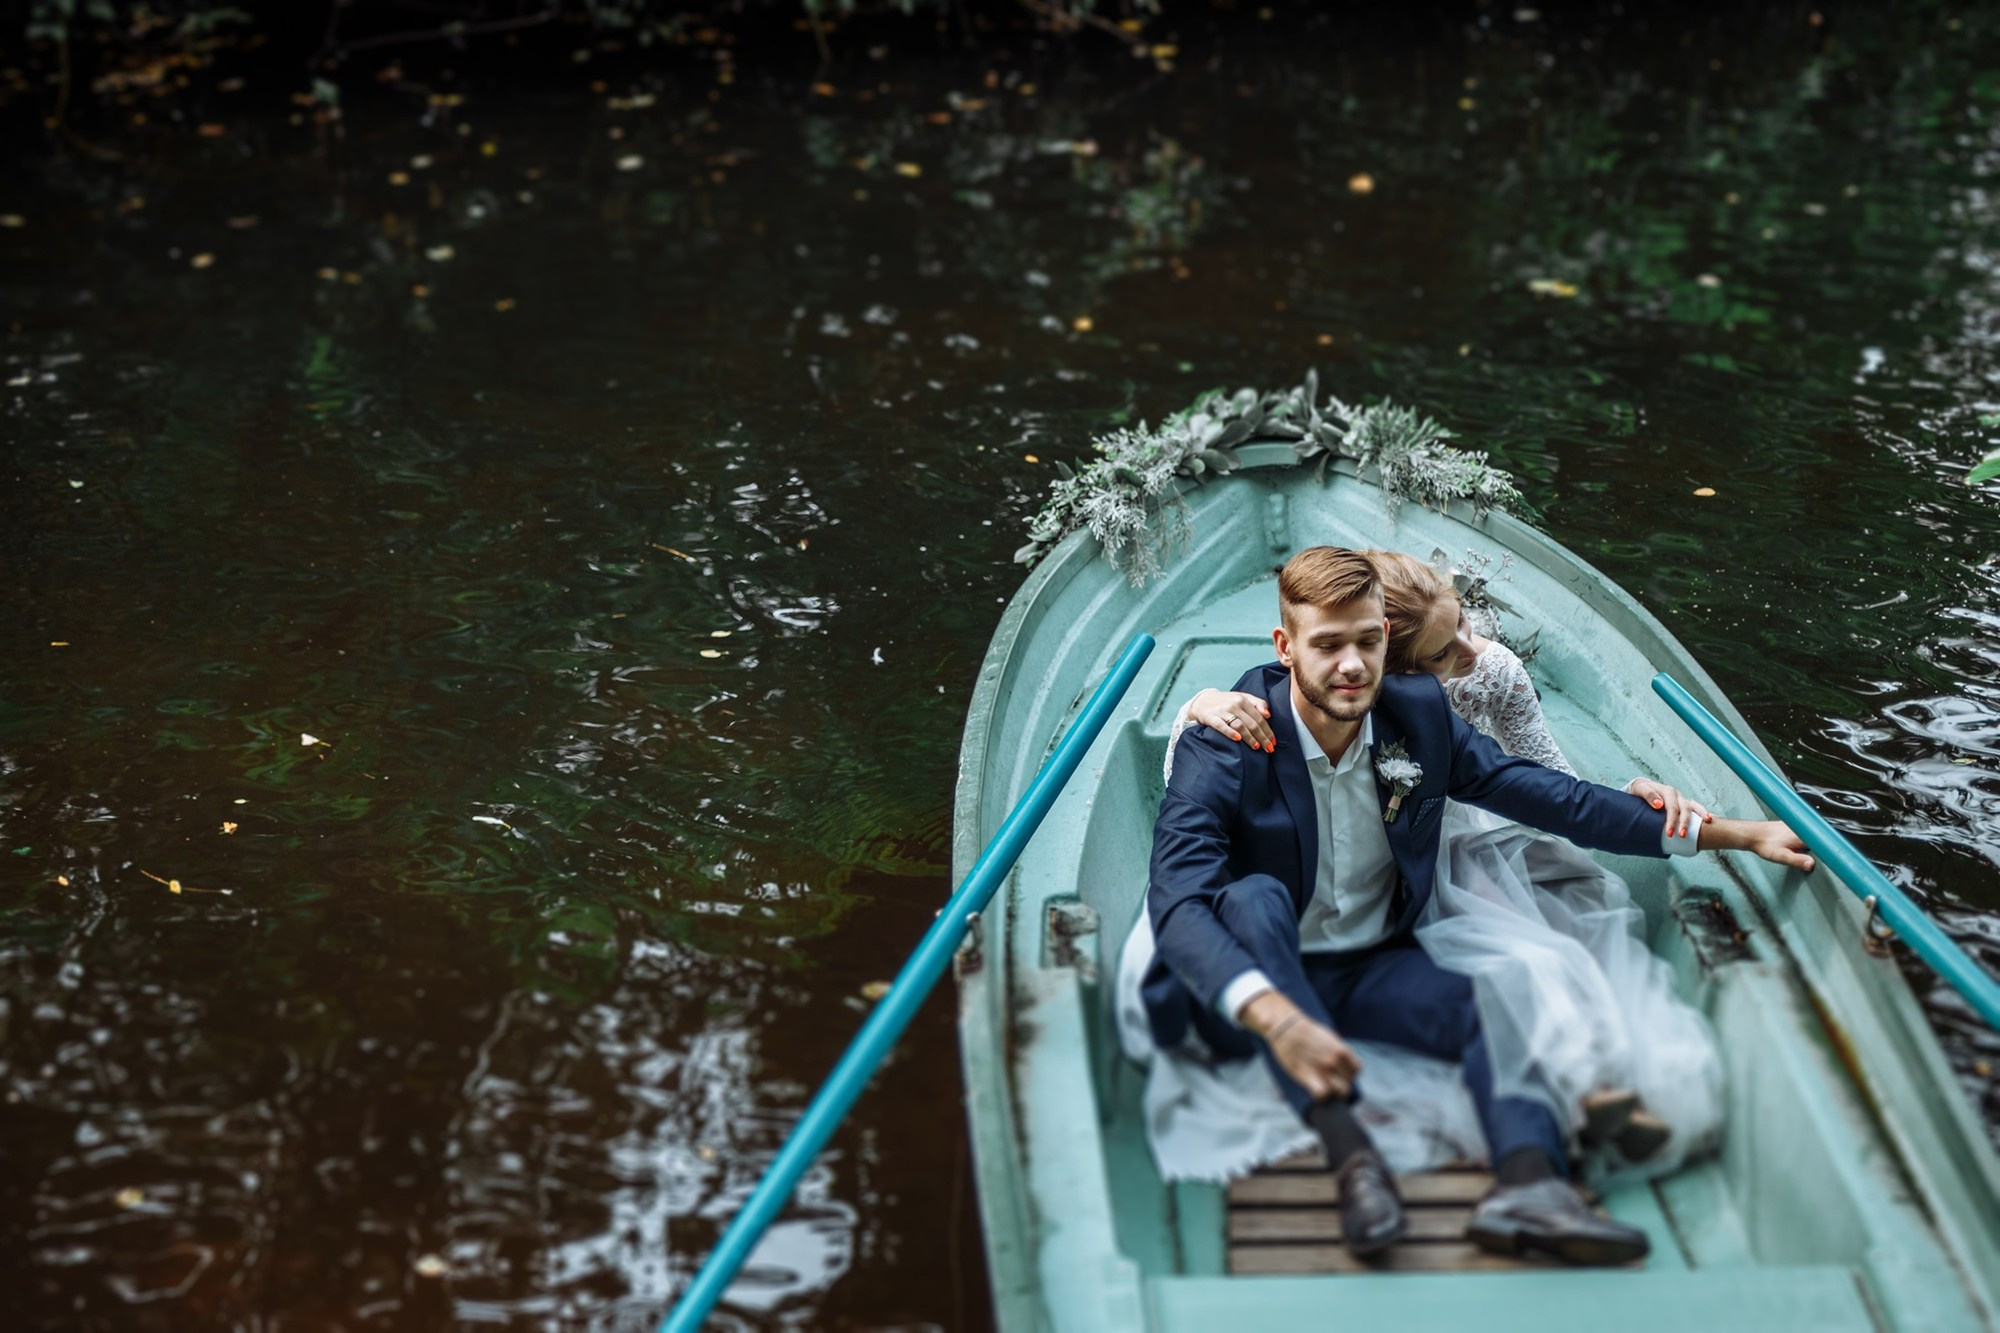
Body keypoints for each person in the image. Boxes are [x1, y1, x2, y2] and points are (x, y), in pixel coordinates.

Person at [1138, 547, 1814, 1264]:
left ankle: (1531, 1187)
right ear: (1286, 647)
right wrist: (1276, 1016)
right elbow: (1178, 900)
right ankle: (1353, 1160)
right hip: (1254, 983)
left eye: (1366, 641)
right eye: (1328, 645)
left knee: (1499, 996)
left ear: (1386, 641)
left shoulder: (1419, 718)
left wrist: (1737, 834)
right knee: (1253, 898)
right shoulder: (1229, 740)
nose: (1352, 665)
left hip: (1369, 968)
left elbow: (1557, 800)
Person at [1177, 550, 1713, 1167]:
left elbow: (1552, 788)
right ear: (1402, 670)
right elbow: (1195, 793)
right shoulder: (1324, 703)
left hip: (1454, 839)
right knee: (1503, 948)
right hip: (1394, 866)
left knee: (1549, 930)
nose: (1471, 651)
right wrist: (1197, 707)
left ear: (1382, 645)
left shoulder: (1484, 675)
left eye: (1464, 624)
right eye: (1441, 652)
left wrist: (1663, 808)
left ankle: (1563, 1118)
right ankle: (1390, 1143)